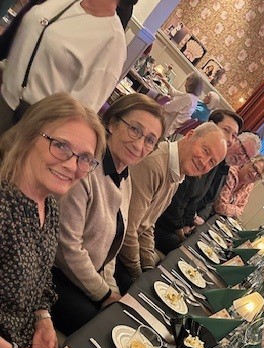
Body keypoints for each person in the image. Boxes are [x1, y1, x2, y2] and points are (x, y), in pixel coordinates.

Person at [0, 93, 105, 348]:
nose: (72, 165)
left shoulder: (49, 203)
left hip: (20, 326)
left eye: (85, 158)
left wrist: (44, 319)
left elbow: (42, 276)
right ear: (30, 135)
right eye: (61, 146)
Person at [52, 94, 165, 335]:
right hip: (56, 274)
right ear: (112, 123)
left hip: (87, 278)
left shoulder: (125, 178)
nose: (139, 145)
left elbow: (112, 247)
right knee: (103, 330)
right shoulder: (86, 168)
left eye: (149, 140)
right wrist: (104, 294)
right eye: (135, 129)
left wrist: (111, 289)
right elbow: (66, 248)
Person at [119, 122, 227, 281]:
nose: (204, 162)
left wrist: (148, 267)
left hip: (128, 245)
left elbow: (147, 225)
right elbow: (127, 230)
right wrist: (138, 274)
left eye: (212, 162)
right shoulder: (156, 164)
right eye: (205, 151)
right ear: (190, 135)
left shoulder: (177, 172)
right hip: (114, 248)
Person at [0, 0, 127, 135]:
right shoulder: (65, 2)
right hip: (4, 94)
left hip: (31, 125)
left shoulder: (112, 42)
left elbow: (82, 111)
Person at [154, 108, 243, 254]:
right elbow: (177, 202)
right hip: (165, 222)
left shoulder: (215, 165)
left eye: (234, 136)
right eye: (226, 130)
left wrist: (192, 222)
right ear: (210, 126)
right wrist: (181, 230)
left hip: (178, 222)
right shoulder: (192, 158)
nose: (229, 139)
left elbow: (201, 200)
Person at [213, 154, 264, 219]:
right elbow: (219, 206)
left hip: (219, 217)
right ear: (248, 162)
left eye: (258, 175)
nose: (254, 174)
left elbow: (241, 209)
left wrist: (233, 210)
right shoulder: (231, 173)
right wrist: (235, 210)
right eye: (254, 168)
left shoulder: (249, 186)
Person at [157, 72, 203, 138]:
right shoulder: (193, 98)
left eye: (187, 80)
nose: (185, 83)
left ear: (191, 84)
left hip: (166, 125)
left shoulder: (188, 98)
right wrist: (164, 80)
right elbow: (175, 93)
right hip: (169, 125)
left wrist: (166, 99)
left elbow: (167, 108)